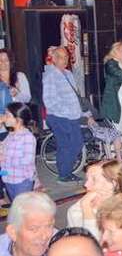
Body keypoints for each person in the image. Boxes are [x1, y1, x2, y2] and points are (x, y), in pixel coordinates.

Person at [42, 46, 90, 183]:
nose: (63, 60)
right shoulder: (50, 76)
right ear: (54, 59)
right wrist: (67, 112)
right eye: (60, 57)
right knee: (69, 145)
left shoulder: (68, 74)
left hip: (71, 116)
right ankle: (64, 174)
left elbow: (75, 96)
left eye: (66, 57)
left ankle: (65, 173)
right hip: (59, 117)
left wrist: (82, 113)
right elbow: (49, 101)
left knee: (73, 144)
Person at [67, 160, 122, 240]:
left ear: (112, 184)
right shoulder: (76, 209)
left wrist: (86, 206)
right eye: (87, 179)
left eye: (94, 180)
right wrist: (86, 207)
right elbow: (90, 244)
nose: (86, 184)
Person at [0, 103, 37, 200]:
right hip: (8, 178)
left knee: (22, 206)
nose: (4, 117)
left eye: (7, 115)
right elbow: (2, 147)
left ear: (18, 120)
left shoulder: (27, 137)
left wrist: (5, 158)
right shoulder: (11, 134)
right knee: (15, 203)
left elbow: (27, 160)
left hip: (21, 180)